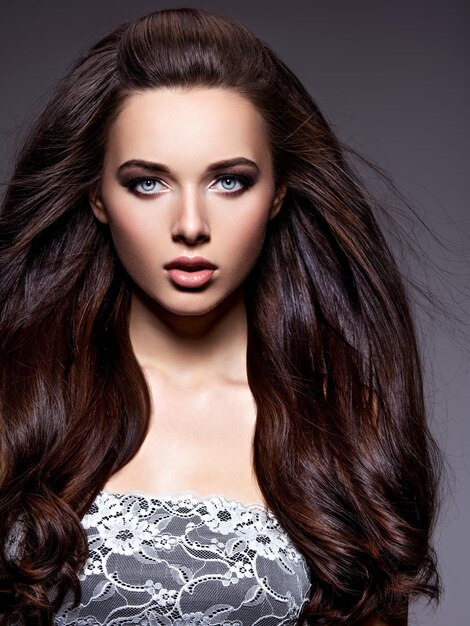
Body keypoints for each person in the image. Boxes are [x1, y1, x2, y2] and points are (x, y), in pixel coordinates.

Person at [0, 7, 442, 626]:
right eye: (148, 183)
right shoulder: (17, 404)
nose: (190, 225)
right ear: (97, 195)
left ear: (279, 191)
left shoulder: (341, 415)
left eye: (229, 182)